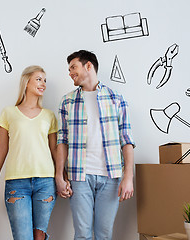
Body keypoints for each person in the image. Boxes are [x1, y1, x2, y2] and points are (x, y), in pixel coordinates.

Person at [55, 50, 135, 240]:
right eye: (68, 69)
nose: (70, 73)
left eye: (73, 67)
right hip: (79, 176)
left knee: (104, 235)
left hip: (111, 176)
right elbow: (62, 141)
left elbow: (127, 140)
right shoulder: (67, 101)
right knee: (82, 235)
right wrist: (59, 175)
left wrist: (128, 177)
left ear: (88, 66)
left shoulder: (116, 98)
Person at [0, 65, 58, 240]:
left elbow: (54, 149)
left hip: (46, 182)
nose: (43, 84)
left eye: (45, 80)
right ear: (26, 82)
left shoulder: (49, 115)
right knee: (22, 237)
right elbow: (2, 148)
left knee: (39, 237)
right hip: (16, 184)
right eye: (39, 79)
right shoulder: (9, 112)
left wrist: (62, 176)